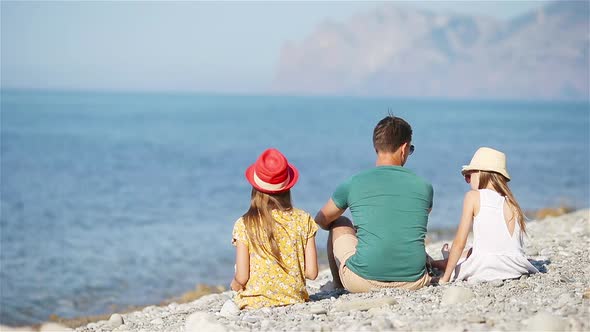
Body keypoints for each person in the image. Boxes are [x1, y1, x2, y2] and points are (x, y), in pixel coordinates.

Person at [315, 115, 434, 292]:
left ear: (376, 147)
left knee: (340, 222)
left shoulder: (354, 183)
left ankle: (338, 285)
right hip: (414, 281)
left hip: (362, 281)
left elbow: (321, 219)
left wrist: (359, 232)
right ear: (404, 148)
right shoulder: (424, 187)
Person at [230, 148, 318, 309]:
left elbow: (242, 277)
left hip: (254, 302)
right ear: (288, 186)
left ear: (255, 188)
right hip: (294, 299)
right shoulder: (304, 219)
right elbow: (311, 272)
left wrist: (235, 284)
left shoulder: (244, 223)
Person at [440, 147, 538, 283]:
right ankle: (445, 259)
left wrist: (445, 278)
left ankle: (445, 260)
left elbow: (459, 243)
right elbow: (501, 244)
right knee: (473, 250)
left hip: (487, 268)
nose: (468, 182)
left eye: (469, 176)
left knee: (461, 257)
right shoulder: (512, 202)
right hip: (515, 266)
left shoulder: (473, 197)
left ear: (480, 172)